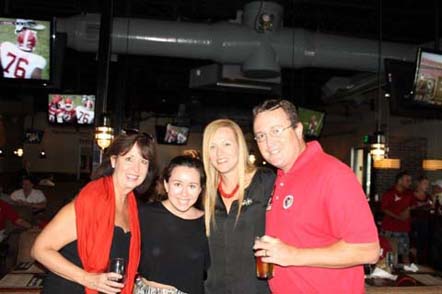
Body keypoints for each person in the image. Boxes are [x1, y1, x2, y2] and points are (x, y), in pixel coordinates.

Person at [252, 99, 379, 293]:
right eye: (261, 136)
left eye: (276, 130)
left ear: (298, 130)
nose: (269, 142)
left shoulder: (333, 174)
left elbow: (368, 250)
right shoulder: (280, 177)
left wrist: (293, 255)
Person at [31, 131, 157, 294]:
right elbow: (39, 249)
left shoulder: (132, 207)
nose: (136, 168)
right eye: (129, 159)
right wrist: (88, 278)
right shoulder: (91, 199)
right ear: (113, 161)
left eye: (143, 162)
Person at [202, 119, 275, 294]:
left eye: (227, 144)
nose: (220, 153)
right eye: (212, 146)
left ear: (239, 146)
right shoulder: (206, 194)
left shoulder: (265, 181)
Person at [136, 156, 210, 294]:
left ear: (201, 189)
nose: (184, 193)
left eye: (192, 186)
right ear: (166, 184)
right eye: (177, 184)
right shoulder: (145, 214)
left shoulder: (208, 222)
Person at [381, 171, 414, 264]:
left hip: (403, 228)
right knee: (387, 254)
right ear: (399, 181)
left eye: (410, 181)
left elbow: (413, 205)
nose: (410, 183)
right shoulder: (389, 193)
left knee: (405, 254)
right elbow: (384, 209)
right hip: (389, 228)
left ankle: (407, 276)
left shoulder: (409, 193)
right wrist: (398, 217)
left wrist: (408, 210)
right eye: (407, 180)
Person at [410, 176, 432, 264]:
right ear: (418, 184)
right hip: (414, 223)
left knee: (424, 244)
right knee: (414, 244)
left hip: (426, 223)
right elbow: (409, 207)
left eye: (428, 184)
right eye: (425, 183)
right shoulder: (411, 194)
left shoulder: (428, 196)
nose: (427, 186)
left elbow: (432, 207)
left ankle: (422, 263)